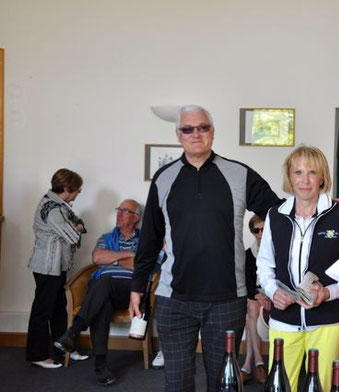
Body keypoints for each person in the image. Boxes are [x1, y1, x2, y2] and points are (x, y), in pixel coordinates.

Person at [130, 105, 283, 392]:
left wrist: (322, 208)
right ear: (178, 135)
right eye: (188, 129)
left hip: (226, 300)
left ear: (212, 131)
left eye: (202, 127)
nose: (195, 134)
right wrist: (137, 287)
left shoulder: (239, 174)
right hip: (174, 300)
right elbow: (150, 238)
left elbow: (280, 213)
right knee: (177, 384)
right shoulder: (164, 178)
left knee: (223, 384)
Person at [257, 145, 339, 391]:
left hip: (327, 323)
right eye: (298, 172)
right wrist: (273, 292)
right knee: (281, 386)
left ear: (322, 177)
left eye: (312, 172)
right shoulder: (275, 215)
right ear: (289, 177)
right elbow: (264, 263)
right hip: (284, 322)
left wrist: (328, 293)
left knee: (322, 387)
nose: (304, 180)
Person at [54, 199, 144, 386]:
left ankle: (74, 331)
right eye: (118, 209)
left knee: (104, 283)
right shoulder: (107, 237)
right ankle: (100, 366)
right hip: (102, 290)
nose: (119, 213)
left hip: (129, 291)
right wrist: (129, 256)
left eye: (125, 211)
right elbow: (97, 257)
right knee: (102, 300)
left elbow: (143, 265)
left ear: (136, 217)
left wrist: (112, 259)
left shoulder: (145, 239)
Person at [26, 168, 86, 368]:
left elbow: (77, 223)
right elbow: (74, 235)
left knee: (59, 309)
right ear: (67, 188)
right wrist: (74, 227)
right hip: (46, 267)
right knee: (42, 311)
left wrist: (75, 225)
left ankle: (63, 348)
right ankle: (38, 355)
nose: (79, 193)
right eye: (77, 189)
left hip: (56, 266)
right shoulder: (53, 209)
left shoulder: (61, 206)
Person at [240, 214, 271, 384]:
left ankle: (248, 364)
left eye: (263, 229)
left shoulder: (278, 251)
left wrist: (269, 295)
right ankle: (259, 363)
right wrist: (257, 295)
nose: (259, 233)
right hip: (255, 296)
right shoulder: (248, 254)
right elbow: (245, 282)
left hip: (274, 295)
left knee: (249, 312)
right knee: (252, 307)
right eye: (256, 230)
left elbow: (281, 280)